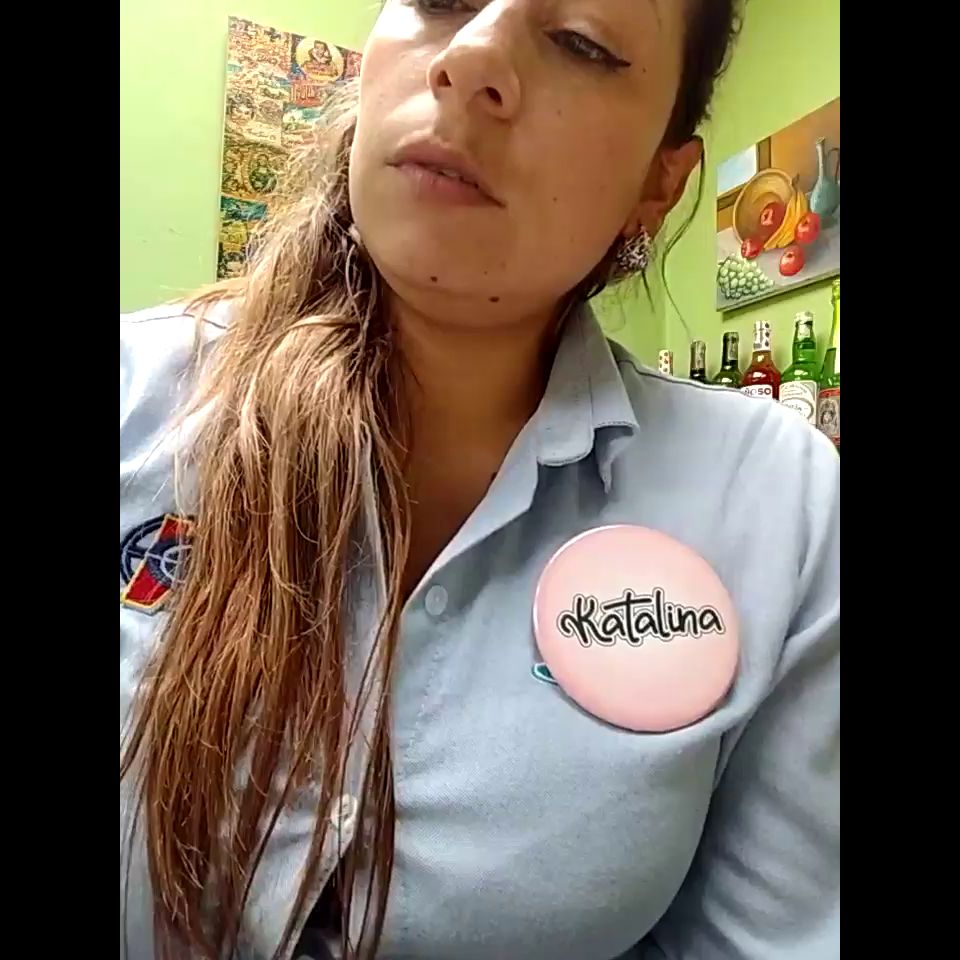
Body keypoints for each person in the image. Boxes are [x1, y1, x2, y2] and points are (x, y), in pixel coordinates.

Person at [120, 1, 840, 959]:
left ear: (660, 184)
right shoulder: (137, 399)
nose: (468, 57)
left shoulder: (778, 502)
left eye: (581, 41)